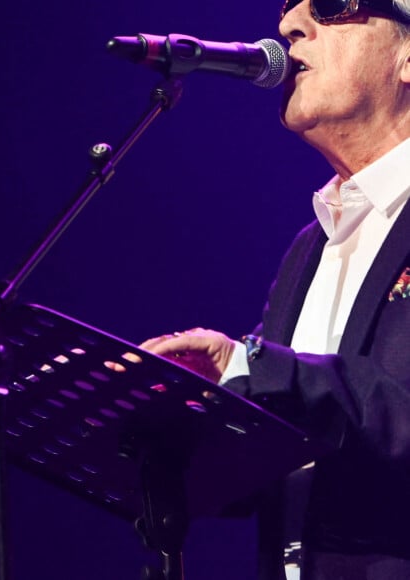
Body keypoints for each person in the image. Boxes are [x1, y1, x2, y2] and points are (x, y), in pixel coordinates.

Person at [140, 0, 410, 578]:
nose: (289, 25)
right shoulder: (310, 248)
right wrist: (170, 406)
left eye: (332, 6)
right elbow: (278, 459)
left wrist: (251, 367)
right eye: (288, 9)